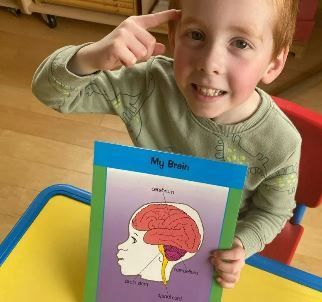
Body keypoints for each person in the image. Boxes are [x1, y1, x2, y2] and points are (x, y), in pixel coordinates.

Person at [32, 0, 301, 289]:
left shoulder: (282, 144)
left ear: (273, 63)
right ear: (173, 37)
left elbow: (273, 212)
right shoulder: (149, 84)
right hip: (141, 228)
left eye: (240, 43)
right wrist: (91, 57)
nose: (210, 63)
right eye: (196, 35)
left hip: (210, 261)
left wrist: (240, 244)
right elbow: (52, 94)